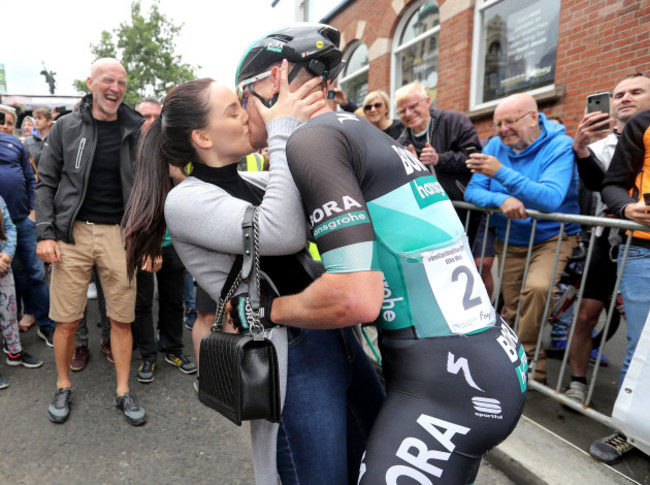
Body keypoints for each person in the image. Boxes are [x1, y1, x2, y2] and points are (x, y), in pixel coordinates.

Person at [233, 24, 526, 484]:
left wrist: (264, 309)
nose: (240, 115)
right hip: (475, 355)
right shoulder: (357, 131)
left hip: (447, 380)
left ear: (273, 80)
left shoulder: (313, 140)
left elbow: (355, 299)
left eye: (242, 97)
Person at [123, 59, 384, 485]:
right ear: (202, 137)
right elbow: (280, 233)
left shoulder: (254, 181)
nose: (247, 114)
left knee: (371, 458)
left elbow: (315, 212)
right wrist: (281, 132)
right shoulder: (186, 200)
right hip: (288, 352)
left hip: (331, 329)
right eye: (232, 111)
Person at [35, 58, 145, 426]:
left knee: (121, 319)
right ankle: (63, 383)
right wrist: (45, 234)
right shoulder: (66, 127)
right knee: (66, 321)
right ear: (91, 82)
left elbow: (148, 188)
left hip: (120, 234)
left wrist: (146, 239)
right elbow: (46, 182)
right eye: (108, 80)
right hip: (73, 233)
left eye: (122, 82)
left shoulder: (136, 130)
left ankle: (123, 390)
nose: (115, 88)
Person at [464, 93, 581, 383]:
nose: (502, 129)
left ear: (532, 117)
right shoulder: (494, 145)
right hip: (511, 237)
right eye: (497, 123)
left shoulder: (560, 145)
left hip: (551, 237)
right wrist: (501, 200)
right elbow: (472, 192)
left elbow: (551, 198)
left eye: (509, 121)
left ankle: (529, 364)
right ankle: (524, 365)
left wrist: (500, 173)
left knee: (538, 290)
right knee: (514, 306)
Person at [564, 73, 650, 405]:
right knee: (586, 314)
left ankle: (631, 410)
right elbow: (603, 184)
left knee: (638, 332)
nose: (624, 98)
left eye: (636, 92)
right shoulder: (599, 144)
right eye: (618, 94)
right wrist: (581, 149)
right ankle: (576, 381)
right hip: (608, 239)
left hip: (640, 243)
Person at [596, 106, 650, 463]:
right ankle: (630, 430)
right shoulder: (642, 125)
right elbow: (612, 185)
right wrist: (629, 208)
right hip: (644, 249)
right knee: (641, 343)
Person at [395, 81, 483, 244]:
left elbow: (474, 159)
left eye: (413, 106)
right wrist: (415, 170)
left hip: (464, 210)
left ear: (427, 101)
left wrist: (439, 159)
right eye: (402, 111)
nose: (408, 113)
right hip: (430, 216)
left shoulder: (455, 121)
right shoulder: (401, 143)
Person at [0, 108, 57, 347]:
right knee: (14, 277)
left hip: (22, 221)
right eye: (3, 122)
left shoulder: (17, 145)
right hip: (1, 228)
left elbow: (31, 177)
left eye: (10, 123)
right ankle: (14, 327)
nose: (6, 126)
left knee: (35, 274)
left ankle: (46, 325)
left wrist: (34, 212)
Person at [1, 195, 43, 388]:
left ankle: (15, 352)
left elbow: (9, 227)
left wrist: (8, 254)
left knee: (9, 314)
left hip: (3, 267)